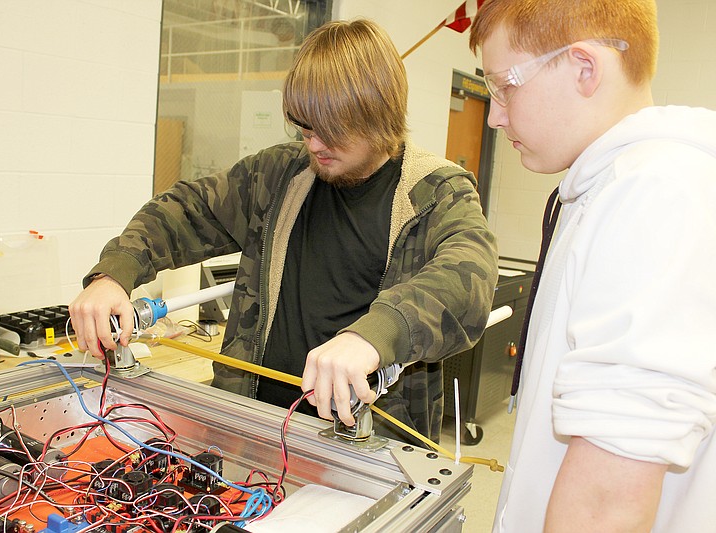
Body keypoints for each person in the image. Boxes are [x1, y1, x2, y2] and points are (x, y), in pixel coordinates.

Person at [70, 18, 498, 444]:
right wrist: (113, 274)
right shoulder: (279, 175)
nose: (313, 145)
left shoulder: (436, 193)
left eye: (330, 131)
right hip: (254, 427)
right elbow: (185, 209)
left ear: (378, 115)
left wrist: (376, 335)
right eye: (305, 128)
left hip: (368, 444)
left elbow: (468, 278)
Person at [469, 0, 716, 531]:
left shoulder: (656, 192)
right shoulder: (600, 187)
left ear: (584, 68)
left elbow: (610, 496)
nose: (494, 115)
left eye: (504, 86)